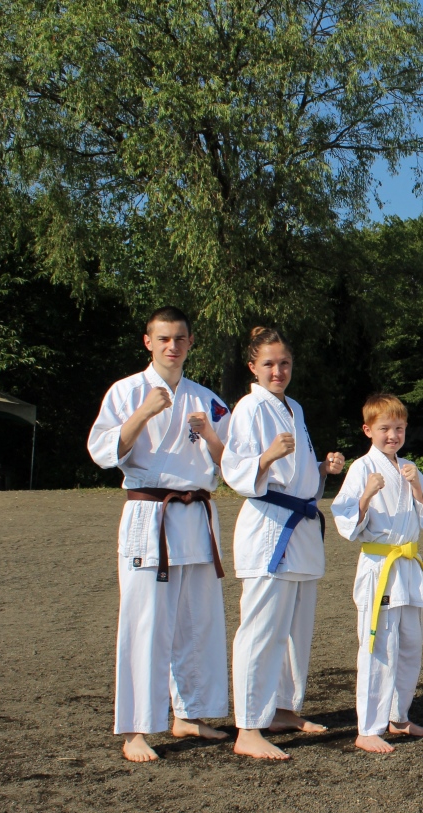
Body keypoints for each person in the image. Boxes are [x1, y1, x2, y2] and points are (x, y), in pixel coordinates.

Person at [87, 306, 232, 763]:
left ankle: (189, 713)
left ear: (191, 343)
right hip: (150, 514)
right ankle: (135, 729)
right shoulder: (126, 391)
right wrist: (143, 413)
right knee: (145, 623)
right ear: (148, 342)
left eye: (180, 338)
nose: (173, 346)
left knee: (198, 622)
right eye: (163, 338)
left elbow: (234, 464)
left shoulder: (208, 400)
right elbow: (101, 452)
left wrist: (210, 437)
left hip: (196, 516)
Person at [221, 326, 345, 760]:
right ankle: (248, 727)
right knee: (261, 631)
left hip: (301, 528)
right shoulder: (249, 407)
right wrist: (266, 457)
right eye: (269, 364)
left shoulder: (294, 407)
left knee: (296, 629)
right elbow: (235, 469)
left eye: (285, 363)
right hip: (269, 528)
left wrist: (322, 469)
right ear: (253, 367)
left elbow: (298, 475)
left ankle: (282, 709)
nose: (278, 371)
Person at [332, 393, 423, 754]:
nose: (393, 435)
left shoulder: (409, 467)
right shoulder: (361, 468)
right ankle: (368, 727)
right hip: (380, 565)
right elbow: (345, 520)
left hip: (408, 566)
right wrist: (366, 494)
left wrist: (416, 486)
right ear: (368, 430)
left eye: (399, 428)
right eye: (384, 429)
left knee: (410, 642)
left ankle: (398, 715)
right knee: (378, 645)